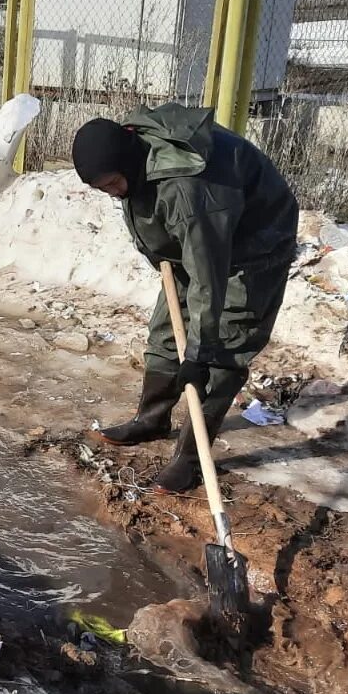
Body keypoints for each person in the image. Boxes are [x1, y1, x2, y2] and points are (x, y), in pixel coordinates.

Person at [72, 104, 298, 492]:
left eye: (112, 184)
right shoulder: (137, 155)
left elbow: (209, 274)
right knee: (165, 332)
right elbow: (169, 225)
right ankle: (151, 419)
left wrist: (200, 352)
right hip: (196, 239)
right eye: (103, 189)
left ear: (126, 163)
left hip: (253, 246)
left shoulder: (187, 188)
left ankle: (191, 458)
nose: (112, 194)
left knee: (222, 350)